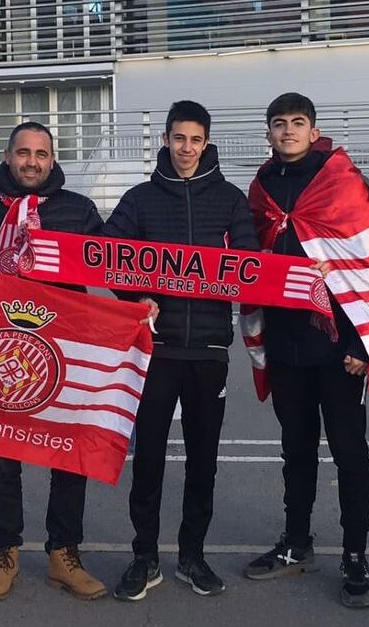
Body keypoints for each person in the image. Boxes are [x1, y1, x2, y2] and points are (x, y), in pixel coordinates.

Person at [105, 100, 258, 601]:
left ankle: (193, 555)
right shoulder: (142, 198)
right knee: (147, 458)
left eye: (195, 139)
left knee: (203, 462)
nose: (186, 148)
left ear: (207, 142)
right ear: (166, 140)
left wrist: (302, 275)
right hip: (156, 351)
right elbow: (108, 256)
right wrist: (135, 296)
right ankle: (144, 557)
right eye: (178, 138)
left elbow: (252, 264)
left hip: (210, 351)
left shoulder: (231, 200)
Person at [242, 93, 369, 609]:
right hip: (286, 345)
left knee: (350, 454)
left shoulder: (342, 182)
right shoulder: (260, 189)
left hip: (337, 349)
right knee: (296, 451)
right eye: (278, 124)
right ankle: (295, 541)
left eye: (296, 123)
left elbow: (366, 263)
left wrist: (358, 342)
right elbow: (248, 259)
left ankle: (355, 555)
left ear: (313, 128)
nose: (287, 132)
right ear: (269, 133)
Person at [0, 121, 106, 602]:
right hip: (1, 358)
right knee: (3, 461)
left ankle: (63, 554)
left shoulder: (80, 210)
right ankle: (4, 553)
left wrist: (141, 303)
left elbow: (115, 264)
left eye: (41, 153)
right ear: (8, 157)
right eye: (23, 152)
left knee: (69, 458)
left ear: (52, 159)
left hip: (65, 354)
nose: (32, 161)